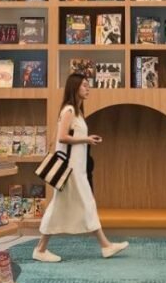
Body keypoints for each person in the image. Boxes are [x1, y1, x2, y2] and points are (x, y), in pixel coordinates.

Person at [33, 73, 128, 262]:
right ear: (75, 87)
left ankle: (105, 246)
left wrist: (86, 138)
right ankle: (41, 249)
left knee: (79, 205)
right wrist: (86, 139)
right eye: (84, 85)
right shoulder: (69, 110)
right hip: (70, 170)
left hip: (76, 169)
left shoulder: (76, 112)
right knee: (79, 204)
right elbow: (62, 137)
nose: (88, 88)